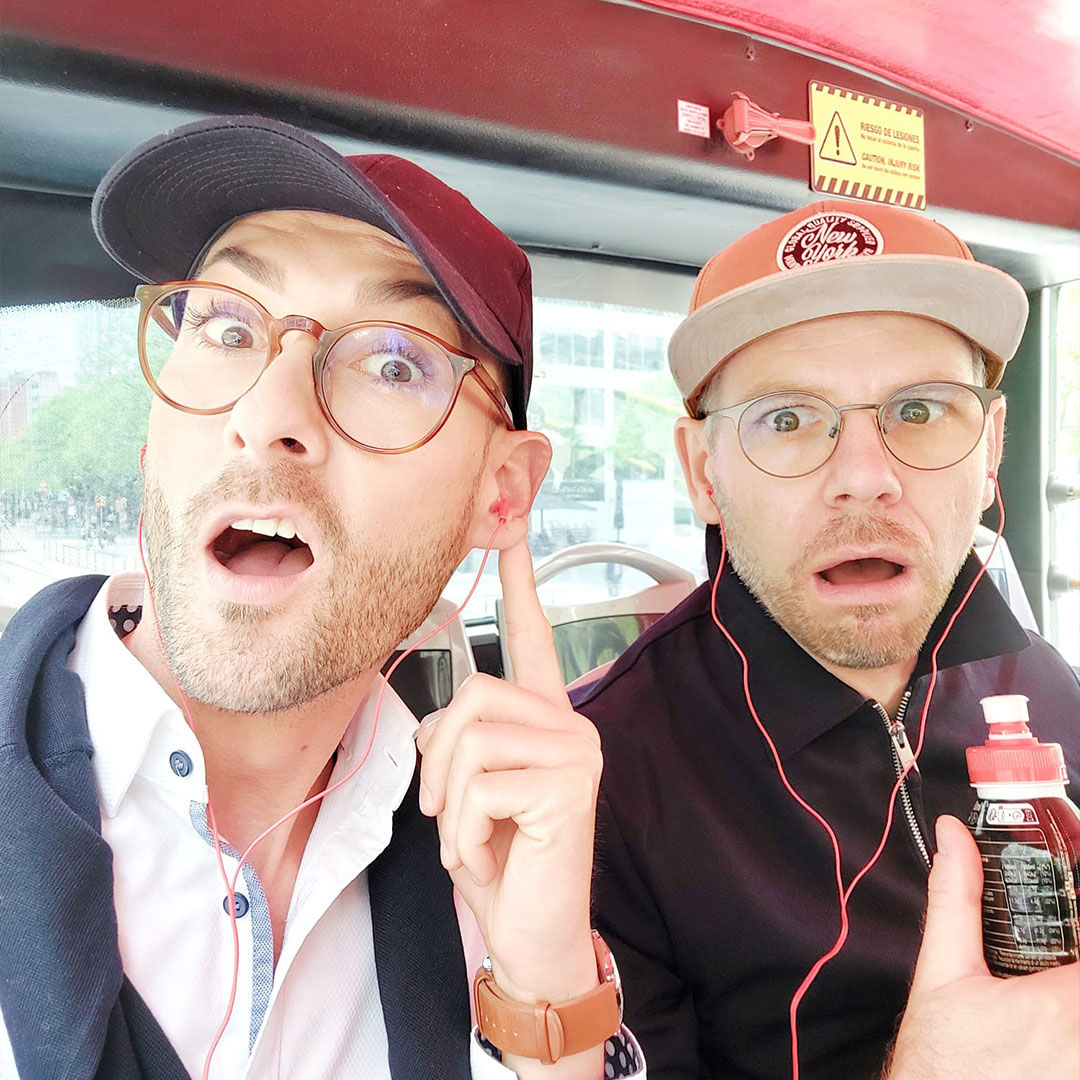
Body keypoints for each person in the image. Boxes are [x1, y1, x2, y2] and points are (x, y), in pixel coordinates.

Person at [0, 116, 644, 1080]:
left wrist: (542, 987)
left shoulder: (478, 864)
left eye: (392, 361)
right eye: (227, 328)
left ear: (500, 494)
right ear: (154, 438)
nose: (267, 415)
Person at [575, 201, 1080, 1078]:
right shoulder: (604, 782)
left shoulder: (1045, 683)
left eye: (920, 410)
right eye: (786, 419)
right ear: (703, 473)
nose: (865, 478)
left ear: (991, 449)